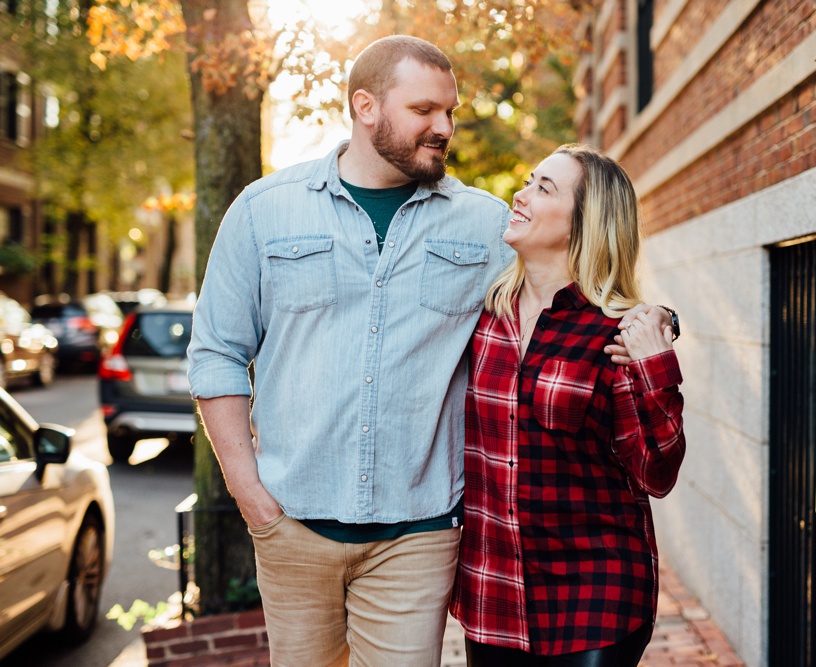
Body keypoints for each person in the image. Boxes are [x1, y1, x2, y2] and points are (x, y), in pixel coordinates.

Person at [187, 36, 516, 666]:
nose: (443, 127)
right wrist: (250, 495)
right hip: (292, 526)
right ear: (366, 107)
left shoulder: (484, 225)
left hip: (417, 534)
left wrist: (638, 316)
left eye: (449, 112)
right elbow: (217, 354)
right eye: (424, 110)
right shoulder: (264, 212)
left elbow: (545, 319)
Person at [450, 144, 686, 667]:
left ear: (587, 222)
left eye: (544, 188)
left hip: (597, 594)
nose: (522, 192)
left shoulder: (617, 333)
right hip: (496, 595)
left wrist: (656, 365)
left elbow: (656, 473)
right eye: (530, 180)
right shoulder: (483, 317)